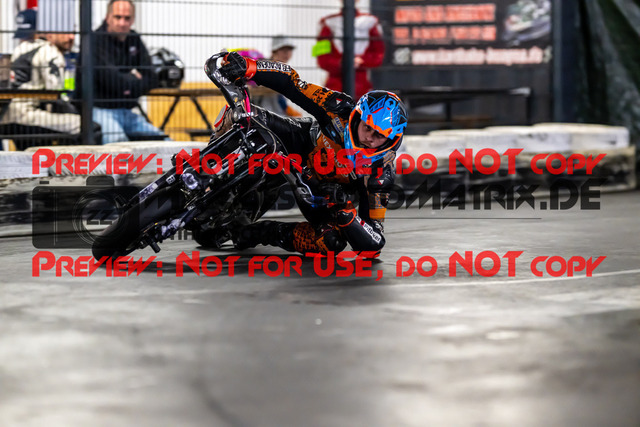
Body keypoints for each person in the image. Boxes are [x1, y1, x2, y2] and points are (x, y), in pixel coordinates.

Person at [210, 51, 407, 257]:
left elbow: (373, 244)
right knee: (246, 116)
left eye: (380, 135)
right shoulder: (338, 108)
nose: (370, 138)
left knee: (331, 242)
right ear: (358, 117)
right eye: (367, 127)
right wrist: (251, 67)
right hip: (302, 144)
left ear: (392, 140)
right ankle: (206, 164)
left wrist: (345, 210)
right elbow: (293, 83)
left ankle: (256, 232)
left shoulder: (380, 174)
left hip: (320, 193)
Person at [0, 9, 101, 146]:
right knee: (89, 127)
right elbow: (57, 95)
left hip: (7, 116)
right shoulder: (50, 52)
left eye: (73, 32)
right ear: (50, 34)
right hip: (26, 116)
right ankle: (81, 161)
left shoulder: (22, 47)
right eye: (65, 33)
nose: (71, 37)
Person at [86, 0, 168, 144]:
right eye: (118, 17)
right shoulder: (95, 40)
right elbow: (109, 80)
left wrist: (125, 81)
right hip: (100, 110)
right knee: (118, 142)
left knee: (165, 141)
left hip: (128, 111)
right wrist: (134, 78)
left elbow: (152, 78)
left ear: (133, 20)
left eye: (127, 18)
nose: (122, 23)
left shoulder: (134, 38)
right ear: (108, 18)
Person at [315, 0, 385, 99]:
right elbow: (321, 59)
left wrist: (361, 61)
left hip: (361, 89)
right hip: (335, 89)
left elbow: (378, 55)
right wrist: (341, 63)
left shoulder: (371, 22)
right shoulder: (327, 23)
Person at [252, 35, 302, 118]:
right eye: (283, 50)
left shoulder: (283, 70)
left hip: (275, 114)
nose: (287, 53)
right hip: (264, 116)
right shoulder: (265, 67)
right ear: (274, 51)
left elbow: (280, 100)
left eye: (289, 50)